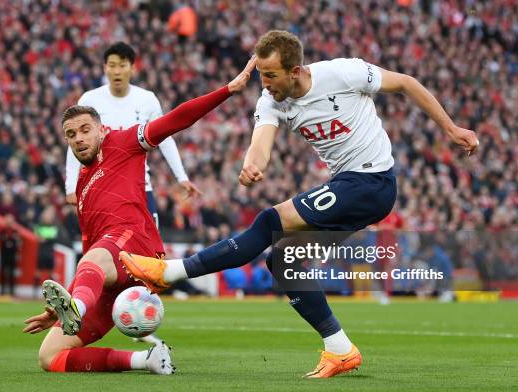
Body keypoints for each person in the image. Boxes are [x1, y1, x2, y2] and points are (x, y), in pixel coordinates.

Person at [120, 30, 480, 379]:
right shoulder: (272, 101)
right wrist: (253, 164)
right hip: (349, 187)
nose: (265, 83)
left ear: (296, 71)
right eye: (261, 75)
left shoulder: (343, 72)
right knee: (283, 260)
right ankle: (340, 350)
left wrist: (450, 129)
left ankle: (169, 273)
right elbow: (261, 143)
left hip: (372, 181)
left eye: (272, 75)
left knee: (268, 222)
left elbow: (405, 82)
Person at [22, 59, 255, 374]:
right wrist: (70, 302)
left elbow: (177, 119)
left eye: (85, 130)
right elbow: (93, 256)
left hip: (136, 247)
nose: (78, 138)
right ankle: (146, 360)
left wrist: (227, 90)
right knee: (50, 357)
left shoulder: (125, 142)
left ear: (102, 130)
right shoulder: (81, 189)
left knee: (91, 259)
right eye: (71, 134)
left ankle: (77, 306)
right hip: (108, 270)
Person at [65, 42, 200, 226]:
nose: (117, 71)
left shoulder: (147, 100)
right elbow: (76, 143)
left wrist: (182, 177)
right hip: (102, 187)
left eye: (122, 65)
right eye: (112, 65)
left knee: (151, 247)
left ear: (133, 68)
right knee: (106, 248)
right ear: (105, 68)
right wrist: (71, 186)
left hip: (140, 186)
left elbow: (165, 139)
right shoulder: (89, 100)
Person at [0, 214, 21, 296]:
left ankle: (12, 291)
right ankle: (2, 291)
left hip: (12, 254)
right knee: (3, 273)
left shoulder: (15, 231)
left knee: (12, 273)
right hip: (4, 254)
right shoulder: (2, 230)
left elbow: (18, 242)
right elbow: (1, 240)